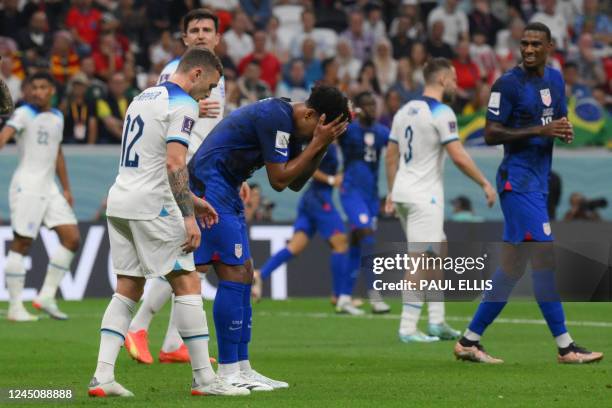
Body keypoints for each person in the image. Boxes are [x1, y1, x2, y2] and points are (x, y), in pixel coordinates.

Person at [86, 48, 245, 397]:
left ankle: (103, 377)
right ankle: (205, 379)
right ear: (197, 73)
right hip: (153, 206)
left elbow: (151, 159)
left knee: (128, 286)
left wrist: (194, 200)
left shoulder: (143, 96)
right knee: (187, 281)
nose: (208, 95)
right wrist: (188, 216)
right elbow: (175, 163)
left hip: (121, 200)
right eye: (211, 86)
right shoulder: (184, 104)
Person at [454, 22, 603, 364]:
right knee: (545, 261)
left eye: (537, 43)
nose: (529, 49)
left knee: (511, 267)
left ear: (550, 46)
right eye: (524, 43)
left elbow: (558, 118)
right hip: (516, 183)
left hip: (537, 182)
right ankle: (565, 347)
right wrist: (541, 129)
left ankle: (468, 341)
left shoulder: (555, 79)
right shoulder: (506, 84)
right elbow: (490, 134)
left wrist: (562, 130)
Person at [188, 85, 349, 390]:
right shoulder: (276, 116)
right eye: (322, 128)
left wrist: (321, 144)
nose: (318, 135)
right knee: (232, 272)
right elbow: (278, 180)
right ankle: (227, 371)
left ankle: (242, 367)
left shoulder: (293, 126)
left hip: (228, 186)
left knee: (245, 272)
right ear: (312, 114)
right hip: (210, 185)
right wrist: (318, 144)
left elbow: (296, 182)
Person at [125, 9, 243, 367]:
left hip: (211, 173)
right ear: (185, 38)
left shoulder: (217, 78)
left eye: (208, 29)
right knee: (185, 258)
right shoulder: (174, 74)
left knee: (197, 261)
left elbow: (219, 132)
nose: (202, 35)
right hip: (183, 174)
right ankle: (139, 326)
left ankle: (173, 342)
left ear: (218, 38)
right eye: (195, 30)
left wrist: (236, 177)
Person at [385, 57, 496, 343]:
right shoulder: (442, 112)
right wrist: (484, 182)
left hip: (403, 193)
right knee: (419, 259)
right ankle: (408, 327)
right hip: (424, 197)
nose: (457, 85)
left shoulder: (404, 111)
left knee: (439, 249)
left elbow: (391, 155)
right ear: (444, 80)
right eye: (455, 80)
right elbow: (458, 155)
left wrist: (390, 191)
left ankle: (437, 321)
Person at [0, 72, 80, 321]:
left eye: (43, 87)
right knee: (22, 242)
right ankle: (14, 307)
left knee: (72, 238)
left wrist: (66, 188)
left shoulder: (57, 116)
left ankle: (46, 295)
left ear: (52, 91)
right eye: (34, 87)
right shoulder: (24, 113)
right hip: (27, 186)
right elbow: (4, 137)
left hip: (50, 189)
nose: (38, 92)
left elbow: (57, 153)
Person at [251, 143, 363, 315]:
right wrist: (331, 180)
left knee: (294, 247)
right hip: (319, 199)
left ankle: (260, 274)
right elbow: (308, 169)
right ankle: (340, 297)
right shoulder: (327, 144)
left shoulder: (338, 145)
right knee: (341, 245)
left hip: (311, 199)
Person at [340, 91, 390, 314]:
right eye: (367, 104)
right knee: (367, 236)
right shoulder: (349, 130)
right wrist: (349, 114)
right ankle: (375, 295)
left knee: (356, 244)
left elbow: (397, 148)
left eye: (374, 104)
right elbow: (333, 127)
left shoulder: (381, 132)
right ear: (359, 109)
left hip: (370, 196)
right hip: (351, 192)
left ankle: (343, 297)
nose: (372, 108)